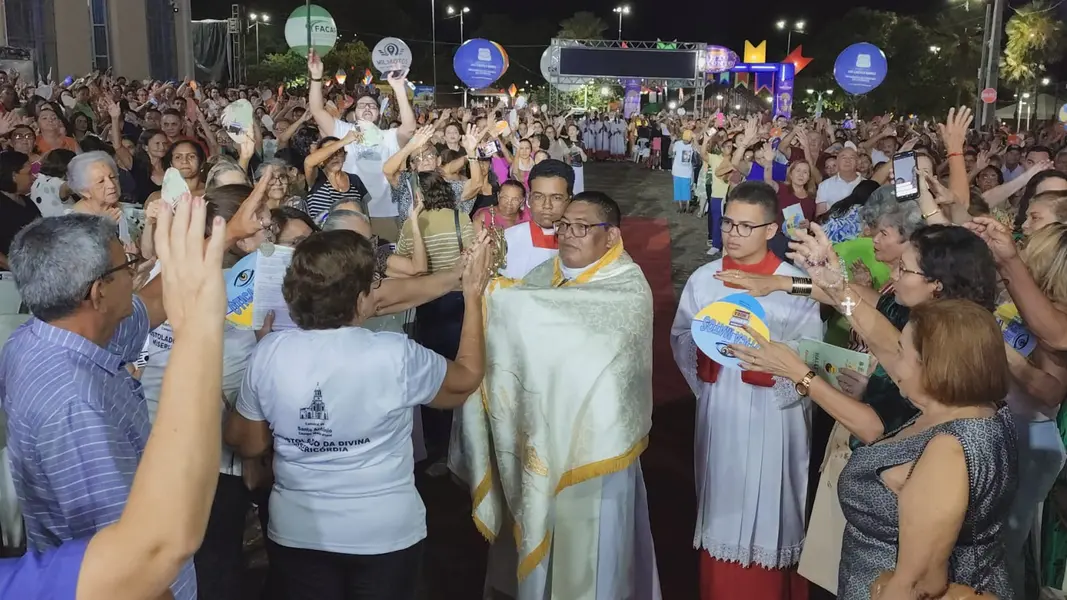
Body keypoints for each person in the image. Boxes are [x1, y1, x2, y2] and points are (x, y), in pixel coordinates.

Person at [224, 229, 492, 600]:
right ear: (362, 297)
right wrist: (474, 297)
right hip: (382, 531)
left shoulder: (270, 352)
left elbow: (247, 442)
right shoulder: (393, 353)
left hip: (299, 530)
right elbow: (465, 381)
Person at [0, 195, 231, 599]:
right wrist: (199, 326)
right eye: (127, 267)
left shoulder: (43, 334)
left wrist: (220, 241)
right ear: (98, 292)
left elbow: (153, 303)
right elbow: (137, 566)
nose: (137, 275)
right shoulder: (76, 405)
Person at [450, 191, 661, 600]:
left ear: (612, 236)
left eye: (582, 227)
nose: (568, 234)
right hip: (540, 435)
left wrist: (487, 291)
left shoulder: (627, 288)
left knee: (591, 560)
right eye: (564, 225)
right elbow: (520, 330)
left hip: (594, 451)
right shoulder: (543, 275)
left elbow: (546, 318)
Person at [670, 181, 821, 600]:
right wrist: (700, 357)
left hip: (774, 415)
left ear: (772, 229)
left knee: (771, 503)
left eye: (745, 227)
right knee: (722, 496)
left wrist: (768, 363)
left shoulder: (796, 284)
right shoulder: (704, 278)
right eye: (728, 223)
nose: (732, 234)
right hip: (722, 407)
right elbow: (682, 332)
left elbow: (811, 351)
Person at [307, 50, 415, 241]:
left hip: (385, 212)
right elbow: (316, 110)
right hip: (351, 213)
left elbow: (409, 127)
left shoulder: (388, 136)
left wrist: (398, 88)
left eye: (372, 106)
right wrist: (316, 77)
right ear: (354, 113)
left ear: (379, 114)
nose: (367, 108)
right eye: (362, 105)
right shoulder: (342, 130)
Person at [498, 159, 574, 280]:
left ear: (570, 200)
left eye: (556, 198)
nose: (547, 205)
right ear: (529, 198)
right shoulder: (506, 240)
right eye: (538, 197)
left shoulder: (583, 243)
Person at [0, 151, 42, 268]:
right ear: (14, 176)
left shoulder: (27, 201)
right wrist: (17, 270)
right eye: (29, 173)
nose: (33, 177)